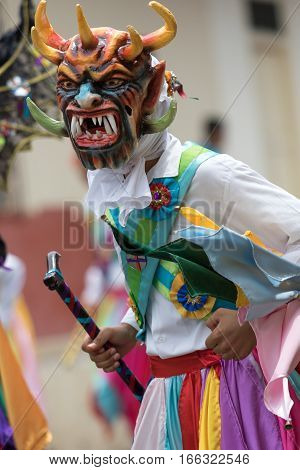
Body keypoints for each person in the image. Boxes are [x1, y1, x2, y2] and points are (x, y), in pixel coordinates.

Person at [29, 1, 300, 449]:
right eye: (70, 86)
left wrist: (251, 318)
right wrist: (130, 328)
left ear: (150, 93)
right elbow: (160, 284)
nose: (86, 100)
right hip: (166, 393)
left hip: (230, 389)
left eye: (110, 84)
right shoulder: (116, 186)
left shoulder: (207, 174)